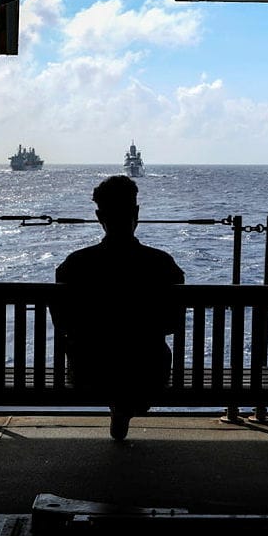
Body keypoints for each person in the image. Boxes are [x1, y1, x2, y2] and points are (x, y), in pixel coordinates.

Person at [53, 174, 184, 441]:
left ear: (99, 216)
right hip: (148, 372)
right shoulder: (162, 264)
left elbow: (63, 324)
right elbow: (173, 323)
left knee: (100, 360)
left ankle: (119, 405)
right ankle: (124, 405)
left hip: (89, 371)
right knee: (141, 361)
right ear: (136, 212)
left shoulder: (74, 265)